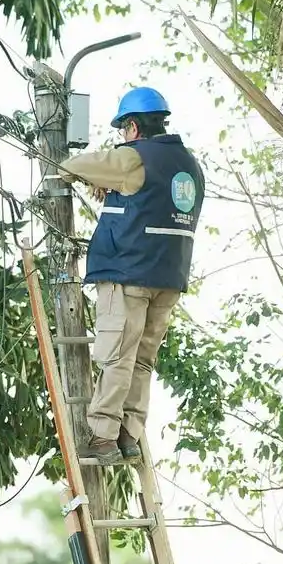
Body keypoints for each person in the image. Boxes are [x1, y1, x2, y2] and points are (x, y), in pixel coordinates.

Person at [60, 86, 206, 464]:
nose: (124, 138)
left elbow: (73, 166)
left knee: (117, 357)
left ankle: (103, 436)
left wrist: (99, 177)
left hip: (128, 272)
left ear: (134, 127)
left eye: (124, 130)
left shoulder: (133, 159)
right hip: (169, 277)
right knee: (142, 360)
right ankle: (129, 435)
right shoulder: (190, 165)